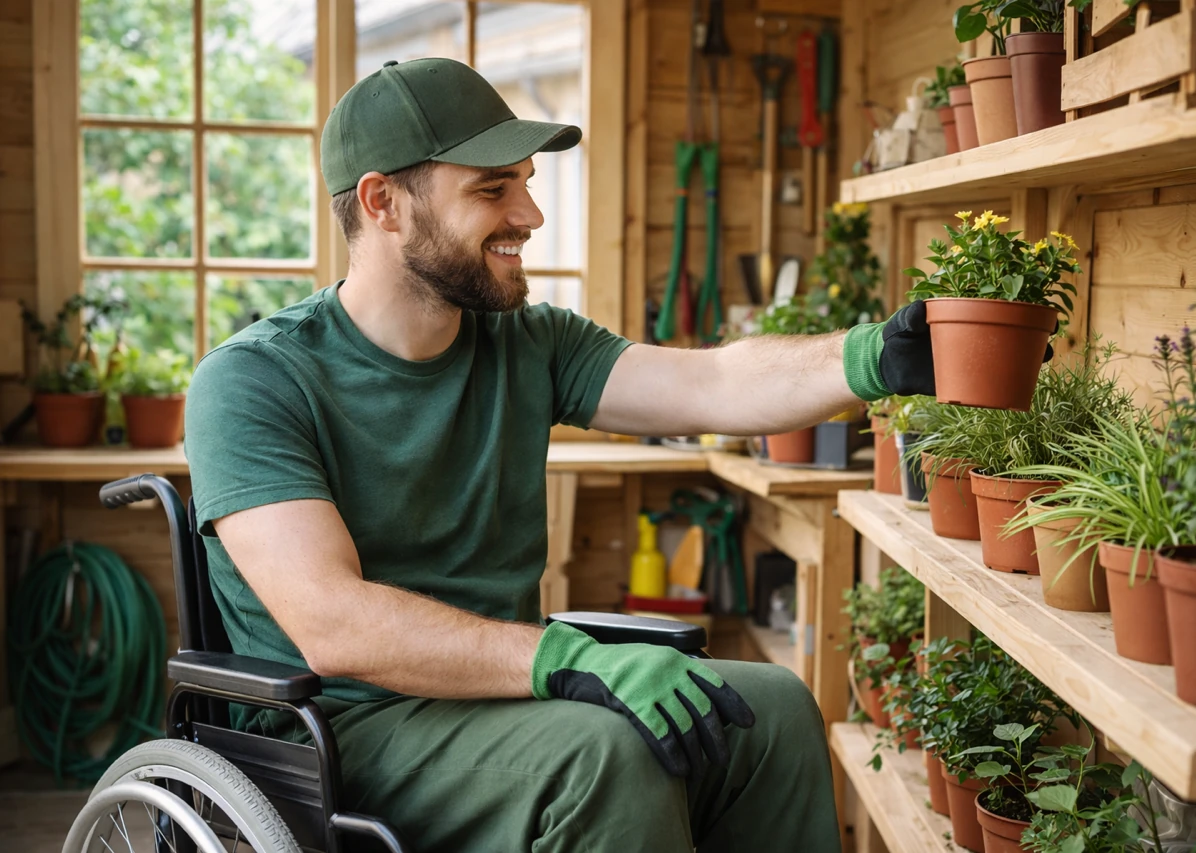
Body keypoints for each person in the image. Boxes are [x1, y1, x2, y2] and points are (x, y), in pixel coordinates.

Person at [184, 58, 936, 853]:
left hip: (502, 699)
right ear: (383, 204)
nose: (530, 213)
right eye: (492, 189)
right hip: (342, 731)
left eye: (527, 183)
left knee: (773, 708)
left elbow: (710, 380)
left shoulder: (528, 343)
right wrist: (569, 656)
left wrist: (870, 357)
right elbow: (336, 624)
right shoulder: (254, 380)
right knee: (609, 758)